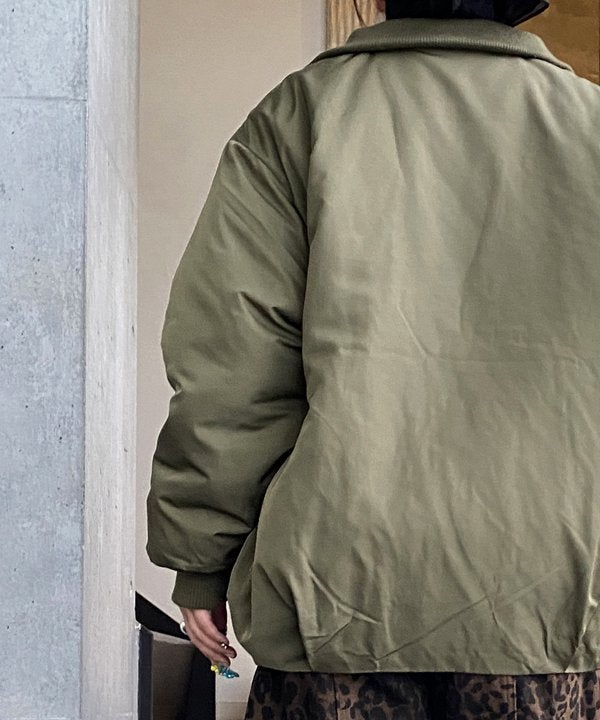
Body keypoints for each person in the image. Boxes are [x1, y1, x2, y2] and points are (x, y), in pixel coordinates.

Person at [146, 0, 600, 717]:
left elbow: (232, 367)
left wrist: (200, 561)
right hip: (552, 600)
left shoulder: (302, 115)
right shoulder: (590, 125)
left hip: (337, 597)